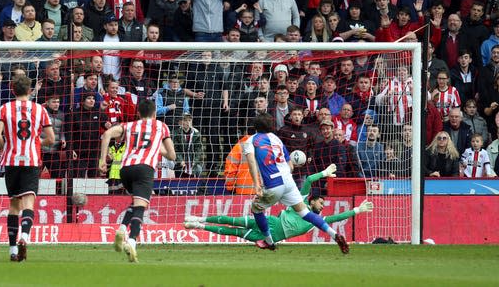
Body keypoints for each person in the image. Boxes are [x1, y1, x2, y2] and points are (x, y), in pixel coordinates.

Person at [184, 165, 374, 246]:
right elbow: (307, 180)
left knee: (234, 232)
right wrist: (323, 173)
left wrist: (357, 210)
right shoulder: (299, 203)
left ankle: (199, 226)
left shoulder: (317, 220)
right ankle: (198, 218)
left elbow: (337, 218)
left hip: (275, 235)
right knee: (234, 220)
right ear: (313, 200)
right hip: (272, 222)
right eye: (321, 202)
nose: (323, 206)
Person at [243, 113, 349, 253]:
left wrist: (257, 184)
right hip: (288, 180)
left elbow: (251, 162)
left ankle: (269, 242)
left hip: (273, 182)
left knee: (256, 208)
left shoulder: (251, 141)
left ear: (254, 126)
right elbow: (290, 164)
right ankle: (334, 235)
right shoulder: (276, 139)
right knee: (304, 212)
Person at [98, 99, 176, 263]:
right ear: (155, 113)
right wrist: (158, 147)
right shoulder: (161, 126)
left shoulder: (129, 125)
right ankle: (132, 241)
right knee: (141, 206)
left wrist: (102, 160)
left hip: (125, 170)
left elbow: (106, 135)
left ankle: (121, 228)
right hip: (144, 168)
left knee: (136, 202)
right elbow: (172, 155)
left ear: (138, 113)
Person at [0, 75, 55, 262]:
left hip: (11, 161)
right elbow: (51, 139)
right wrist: (36, 143)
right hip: (31, 160)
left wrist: (7, 147)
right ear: (30, 91)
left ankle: (12, 250)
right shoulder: (40, 109)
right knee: (28, 203)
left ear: (13, 90)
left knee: (14, 205)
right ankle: (25, 237)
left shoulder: (4, 108)